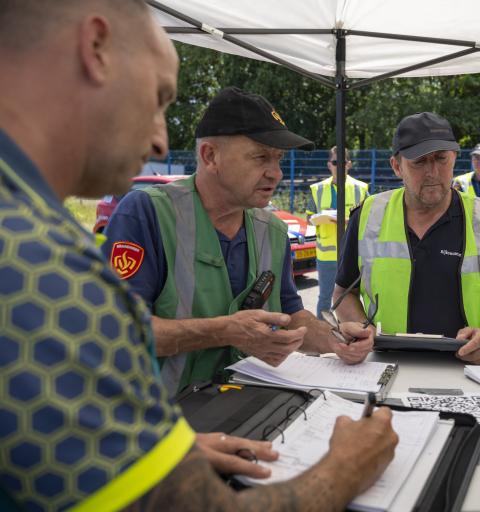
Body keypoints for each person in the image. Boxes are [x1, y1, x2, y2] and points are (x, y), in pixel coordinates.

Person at [0, 2, 397, 510]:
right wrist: (346, 468)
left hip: (204, 423)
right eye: (159, 98)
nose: (161, 140)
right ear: (95, 49)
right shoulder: (41, 262)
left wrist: (336, 337)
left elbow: (291, 314)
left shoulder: (33, 235)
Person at [103, 87, 373, 394]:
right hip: (157, 422)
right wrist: (226, 331)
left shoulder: (271, 229)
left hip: (239, 410)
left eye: (279, 158)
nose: (276, 173)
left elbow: (290, 313)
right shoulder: (146, 214)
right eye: (260, 156)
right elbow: (117, 331)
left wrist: (334, 338)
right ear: (210, 156)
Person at [333, 112, 480, 365]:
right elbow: (344, 294)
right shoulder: (368, 216)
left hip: (467, 367)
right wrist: (358, 328)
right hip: (384, 365)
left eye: (441, 159)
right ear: (397, 166)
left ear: (454, 159)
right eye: (419, 162)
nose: (432, 172)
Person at [306, 146, 368, 317]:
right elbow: (308, 218)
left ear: (349, 164)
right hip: (326, 255)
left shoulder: (360, 189)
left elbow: (368, 219)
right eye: (335, 162)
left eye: (342, 162)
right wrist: (320, 218)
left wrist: (343, 220)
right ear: (329, 165)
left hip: (352, 254)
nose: (338, 166)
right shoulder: (317, 189)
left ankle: (348, 335)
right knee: (325, 298)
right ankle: (324, 337)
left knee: (350, 298)